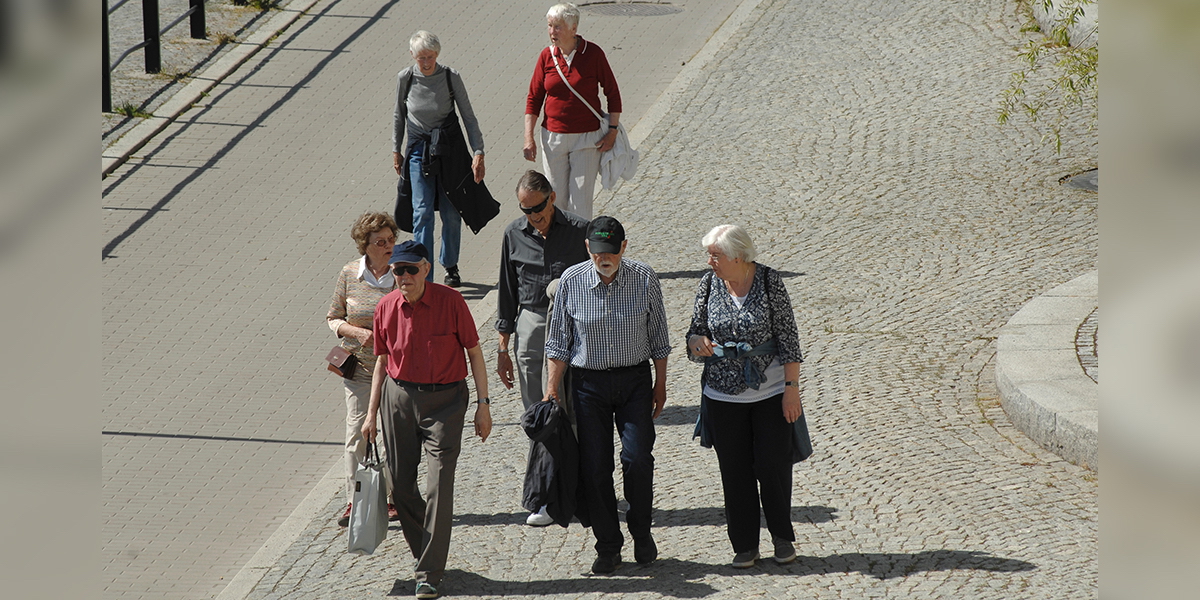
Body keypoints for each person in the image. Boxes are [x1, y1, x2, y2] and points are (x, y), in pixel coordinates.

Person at [362, 240, 493, 600]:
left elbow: (475, 354)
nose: (403, 277)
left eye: (410, 270)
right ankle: (428, 549)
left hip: (446, 403)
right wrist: (371, 414)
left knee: (439, 485)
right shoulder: (386, 307)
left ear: (426, 268)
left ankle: (429, 572)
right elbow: (381, 363)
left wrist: (484, 405)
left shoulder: (452, 302)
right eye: (397, 270)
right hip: (398, 399)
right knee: (400, 486)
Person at [543, 216, 671, 574]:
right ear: (588, 249)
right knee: (595, 467)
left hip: (634, 381)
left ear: (623, 248)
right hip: (589, 385)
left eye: (612, 252)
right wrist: (552, 389)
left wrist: (660, 385)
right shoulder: (571, 281)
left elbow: (659, 338)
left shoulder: (644, 278)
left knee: (637, 459)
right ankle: (608, 546)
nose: (605, 258)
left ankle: (642, 534)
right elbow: (558, 343)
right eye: (599, 252)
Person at [685, 224, 805, 568]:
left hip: (769, 393)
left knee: (772, 466)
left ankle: (782, 537)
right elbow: (694, 334)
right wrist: (696, 344)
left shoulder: (769, 282)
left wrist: (791, 391)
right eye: (709, 254)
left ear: (739, 256)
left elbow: (788, 340)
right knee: (734, 472)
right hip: (722, 396)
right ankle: (745, 545)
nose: (710, 261)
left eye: (716, 255)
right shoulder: (708, 284)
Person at [494, 170, 590, 526]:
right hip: (532, 323)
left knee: (577, 413)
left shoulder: (581, 230)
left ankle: (580, 495)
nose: (533, 216)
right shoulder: (513, 234)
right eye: (525, 210)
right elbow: (506, 290)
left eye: (537, 208)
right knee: (542, 417)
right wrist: (503, 346)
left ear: (552, 197)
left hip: (576, 324)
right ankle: (547, 496)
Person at [393, 30, 488, 288]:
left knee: (452, 210)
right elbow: (398, 116)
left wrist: (478, 151)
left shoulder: (450, 77)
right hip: (417, 151)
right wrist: (396, 149)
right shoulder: (406, 78)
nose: (426, 62)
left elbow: (468, 116)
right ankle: (425, 272)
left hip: (449, 150)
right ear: (412, 55)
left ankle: (451, 264)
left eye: (431, 56)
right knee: (422, 212)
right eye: (421, 57)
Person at [326, 212, 402, 527]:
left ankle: (393, 499)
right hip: (360, 369)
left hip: (397, 370)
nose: (388, 246)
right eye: (380, 242)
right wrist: (357, 333)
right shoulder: (349, 274)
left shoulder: (403, 272)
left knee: (394, 436)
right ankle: (354, 500)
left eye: (391, 240)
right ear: (365, 246)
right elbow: (333, 317)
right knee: (357, 434)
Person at [523, 3, 622, 219]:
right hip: (553, 138)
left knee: (580, 204)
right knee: (556, 200)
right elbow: (533, 99)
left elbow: (613, 93)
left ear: (573, 28)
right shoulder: (546, 57)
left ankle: (582, 251)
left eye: (558, 27)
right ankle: (560, 249)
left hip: (587, 140)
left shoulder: (593, 54)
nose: (552, 32)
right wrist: (528, 137)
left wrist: (612, 131)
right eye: (550, 26)